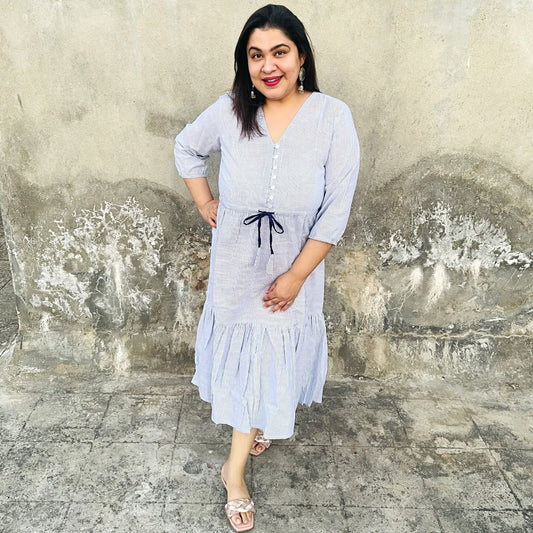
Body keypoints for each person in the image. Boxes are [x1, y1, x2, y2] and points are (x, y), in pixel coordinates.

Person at [174, 4, 360, 531]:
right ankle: (233, 474)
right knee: (249, 362)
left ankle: (252, 424)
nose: (268, 65)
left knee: (268, 358)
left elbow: (336, 208)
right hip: (237, 266)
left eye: (279, 52)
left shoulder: (332, 117)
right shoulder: (230, 110)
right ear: (246, 63)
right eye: (255, 55)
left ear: (301, 57)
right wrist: (206, 202)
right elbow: (187, 149)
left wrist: (297, 275)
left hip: (295, 267)